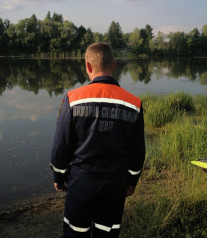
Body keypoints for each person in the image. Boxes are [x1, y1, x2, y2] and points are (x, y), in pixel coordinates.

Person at [50, 42, 145, 238]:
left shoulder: (72, 99)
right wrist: (132, 180)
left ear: (88, 66)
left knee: (77, 232)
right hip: (115, 184)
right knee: (106, 233)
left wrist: (58, 176)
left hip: (81, 182)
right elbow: (138, 150)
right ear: (115, 65)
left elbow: (61, 144)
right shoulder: (134, 104)